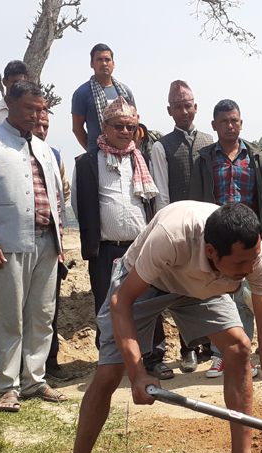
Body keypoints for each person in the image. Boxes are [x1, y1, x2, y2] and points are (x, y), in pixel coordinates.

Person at [44, 201, 262, 453]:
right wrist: (138, 374)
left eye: (252, 261)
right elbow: (120, 301)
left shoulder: (254, 258)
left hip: (203, 287)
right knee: (111, 372)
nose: (250, 271)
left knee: (237, 348)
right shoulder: (172, 236)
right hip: (146, 282)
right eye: (241, 265)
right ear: (211, 251)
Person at [0, 80, 66, 412]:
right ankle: (8, 385)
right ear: (9, 103)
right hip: (6, 245)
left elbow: (57, 201)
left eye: (42, 109)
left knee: (42, 315)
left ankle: (35, 380)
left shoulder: (45, 148)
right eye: (29, 108)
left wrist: (60, 242)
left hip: (46, 245)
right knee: (9, 317)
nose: (37, 115)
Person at [72, 97, 172, 380]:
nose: (125, 131)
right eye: (119, 126)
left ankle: (153, 358)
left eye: (130, 126)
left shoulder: (141, 160)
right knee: (107, 305)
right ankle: (112, 362)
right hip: (105, 250)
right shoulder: (88, 163)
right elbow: (80, 208)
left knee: (149, 302)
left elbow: (153, 201)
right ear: (104, 127)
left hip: (140, 248)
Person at [189, 99, 262, 377]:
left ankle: (243, 356)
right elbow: (194, 200)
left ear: (241, 122)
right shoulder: (204, 159)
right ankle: (220, 355)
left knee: (248, 299)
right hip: (218, 242)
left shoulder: (256, 157)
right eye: (224, 121)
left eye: (234, 120)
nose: (230, 125)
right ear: (214, 125)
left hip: (249, 241)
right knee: (218, 298)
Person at [150, 80, 215, 372]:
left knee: (211, 282)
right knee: (183, 287)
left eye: (188, 105)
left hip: (208, 225)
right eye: (179, 107)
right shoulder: (161, 146)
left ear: (196, 107)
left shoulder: (209, 140)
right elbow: (161, 192)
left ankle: (211, 346)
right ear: (170, 111)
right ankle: (187, 348)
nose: (184, 111)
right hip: (179, 228)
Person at [34, 108, 74, 381]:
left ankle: (51, 363)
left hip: (52, 244)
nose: (41, 131)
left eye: (46, 126)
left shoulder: (54, 155)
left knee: (49, 308)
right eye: (37, 125)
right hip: (22, 245)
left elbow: (63, 193)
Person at [71, 44, 135, 153]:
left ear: (113, 64)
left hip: (125, 153)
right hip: (97, 152)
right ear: (92, 64)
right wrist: (92, 151)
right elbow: (77, 129)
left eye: (107, 60)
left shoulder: (125, 91)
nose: (104, 63)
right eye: (99, 59)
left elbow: (133, 123)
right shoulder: (82, 93)